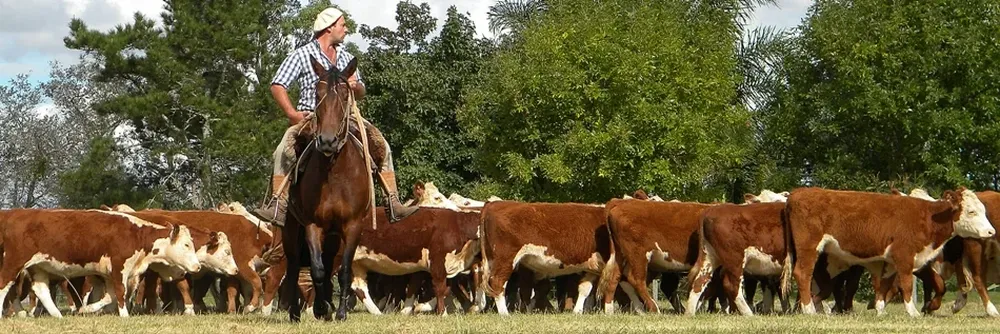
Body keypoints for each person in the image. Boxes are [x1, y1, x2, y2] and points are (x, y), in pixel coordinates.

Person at [255, 7, 417, 226]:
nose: (346, 29)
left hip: (347, 118)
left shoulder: (347, 58)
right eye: (343, 25)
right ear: (329, 28)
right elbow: (277, 85)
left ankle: (392, 201)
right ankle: (278, 205)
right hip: (312, 118)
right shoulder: (302, 55)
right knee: (283, 149)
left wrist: (356, 86)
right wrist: (292, 114)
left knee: (382, 145)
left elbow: (361, 92)